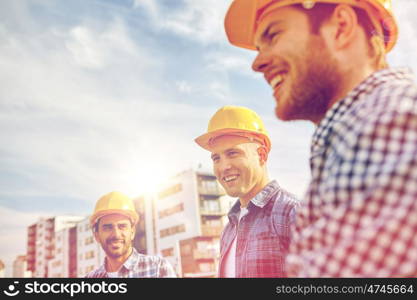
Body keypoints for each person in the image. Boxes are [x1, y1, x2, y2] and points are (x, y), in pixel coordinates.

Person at [224, 0, 417, 276]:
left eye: (274, 35)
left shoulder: (388, 124)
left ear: (341, 27)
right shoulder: (351, 138)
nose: (257, 63)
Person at [195, 105, 299, 277]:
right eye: (216, 158)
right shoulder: (228, 230)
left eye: (233, 153)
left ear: (262, 155)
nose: (224, 167)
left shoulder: (292, 212)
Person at [85, 191, 176, 278]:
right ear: (96, 235)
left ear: (132, 232)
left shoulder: (158, 269)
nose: (116, 234)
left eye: (122, 226)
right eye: (108, 228)